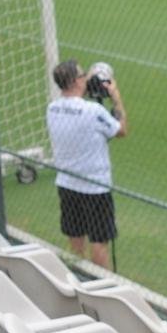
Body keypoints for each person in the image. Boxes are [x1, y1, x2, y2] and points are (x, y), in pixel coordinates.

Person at [47, 58, 128, 270]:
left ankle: (79, 276)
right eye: (83, 75)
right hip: (95, 187)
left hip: (67, 183)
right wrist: (116, 99)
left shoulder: (52, 109)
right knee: (99, 241)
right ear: (76, 81)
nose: (86, 78)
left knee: (75, 237)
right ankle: (103, 286)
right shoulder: (93, 111)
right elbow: (121, 130)